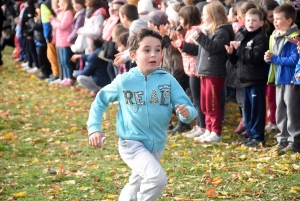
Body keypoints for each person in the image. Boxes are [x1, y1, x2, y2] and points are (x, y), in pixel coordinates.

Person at [87, 28, 198, 200]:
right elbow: (100, 100)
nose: (153, 54)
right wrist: (94, 128)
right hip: (131, 142)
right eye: (147, 50)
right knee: (156, 178)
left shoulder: (167, 80)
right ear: (133, 55)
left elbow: (190, 111)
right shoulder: (125, 81)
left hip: (157, 143)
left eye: (157, 50)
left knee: (137, 182)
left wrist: (185, 113)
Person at [187, 2, 234, 143]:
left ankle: (216, 131)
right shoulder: (211, 31)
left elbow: (213, 48)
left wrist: (201, 36)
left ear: (213, 15)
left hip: (214, 72)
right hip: (205, 71)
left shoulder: (222, 32)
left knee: (213, 104)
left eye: (205, 14)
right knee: (205, 103)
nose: (202, 16)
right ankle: (208, 128)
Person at [225, 8, 269, 147]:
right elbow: (236, 61)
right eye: (248, 20)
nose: (251, 23)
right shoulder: (243, 36)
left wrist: (240, 49)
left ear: (261, 23)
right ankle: (251, 135)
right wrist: (231, 53)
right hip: (244, 79)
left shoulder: (261, 38)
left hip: (256, 80)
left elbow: (255, 57)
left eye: (254, 20)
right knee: (248, 110)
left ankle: (258, 137)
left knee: (256, 110)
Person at [264, 3, 300, 155]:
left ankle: (295, 140)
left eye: (279, 19)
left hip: (291, 80)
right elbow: (274, 58)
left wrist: (275, 58)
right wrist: (268, 58)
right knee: (280, 110)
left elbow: (293, 61)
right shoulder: (275, 36)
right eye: (274, 18)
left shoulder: (294, 38)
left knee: (292, 111)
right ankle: (282, 139)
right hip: (279, 79)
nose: (275, 21)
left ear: (289, 20)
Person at [224, 1, 257, 137]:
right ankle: (245, 122)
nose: (237, 18)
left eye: (238, 15)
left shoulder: (250, 33)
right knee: (241, 101)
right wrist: (231, 52)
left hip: (246, 73)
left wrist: (237, 50)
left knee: (247, 102)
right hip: (237, 72)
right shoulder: (240, 30)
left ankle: (249, 125)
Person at [171, 5, 204, 135]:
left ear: (188, 18)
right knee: (194, 98)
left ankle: (201, 126)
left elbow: (196, 50)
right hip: (190, 69)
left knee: (197, 100)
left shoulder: (197, 30)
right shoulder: (189, 31)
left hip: (196, 69)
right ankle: (198, 125)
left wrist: (180, 43)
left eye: (181, 18)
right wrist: (177, 42)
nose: (180, 21)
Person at [259, 0, 279, 131]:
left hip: (280, 65)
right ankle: (272, 120)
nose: (274, 20)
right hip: (268, 66)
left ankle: (277, 121)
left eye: (275, 17)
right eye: (271, 17)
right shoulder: (264, 30)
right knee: (271, 96)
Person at [51, 0, 75, 86]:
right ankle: (65, 77)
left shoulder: (68, 13)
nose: (58, 3)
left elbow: (63, 25)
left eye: (60, 1)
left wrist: (54, 21)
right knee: (62, 61)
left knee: (66, 61)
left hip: (65, 40)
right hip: (59, 40)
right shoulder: (62, 12)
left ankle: (69, 78)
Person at [41, 0, 60, 83]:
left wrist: (47, 35)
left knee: (53, 56)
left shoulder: (45, 5)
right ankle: (56, 73)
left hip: (54, 36)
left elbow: (46, 23)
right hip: (52, 35)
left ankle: (57, 74)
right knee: (51, 56)